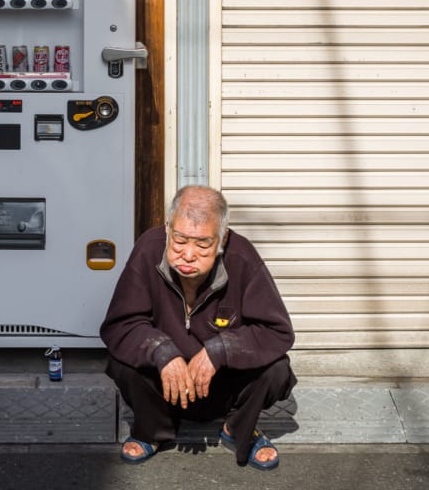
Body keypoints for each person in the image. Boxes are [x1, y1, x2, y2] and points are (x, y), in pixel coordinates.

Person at [99, 185, 297, 470]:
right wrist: (162, 351)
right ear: (167, 227)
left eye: (203, 244)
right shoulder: (147, 249)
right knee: (121, 362)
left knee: (277, 369)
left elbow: (277, 332)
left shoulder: (242, 257)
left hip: (222, 387)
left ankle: (238, 430)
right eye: (179, 240)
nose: (188, 254)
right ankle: (153, 431)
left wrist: (220, 349)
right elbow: (119, 325)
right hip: (165, 389)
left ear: (222, 238)